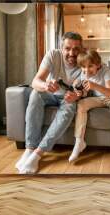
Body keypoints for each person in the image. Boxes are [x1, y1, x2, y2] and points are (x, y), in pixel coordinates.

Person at [15, 32, 83, 174]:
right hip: (51, 93)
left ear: (81, 49)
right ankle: (29, 149)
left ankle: (37, 154)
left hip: (68, 98)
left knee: (70, 107)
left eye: (76, 49)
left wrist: (76, 96)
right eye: (68, 48)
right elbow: (35, 81)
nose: (72, 53)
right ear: (61, 48)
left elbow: (83, 90)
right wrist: (46, 86)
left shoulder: (85, 61)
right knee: (35, 93)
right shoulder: (53, 55)